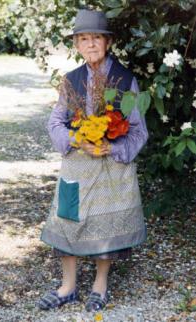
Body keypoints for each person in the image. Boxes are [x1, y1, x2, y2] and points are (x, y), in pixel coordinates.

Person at [38, 9, 148, 312]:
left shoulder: (125, 80)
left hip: (111, 167)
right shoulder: (71, 80)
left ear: (107, 42)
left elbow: (139, 131)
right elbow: (55, 123)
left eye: (95, 38)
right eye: (83, 39)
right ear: (76, 45)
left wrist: (112, 149)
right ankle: (68, 287)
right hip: (77, 164)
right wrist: (77, 140)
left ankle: (100, 285)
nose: (90, 44)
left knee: (108, 224)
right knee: (67, 218)